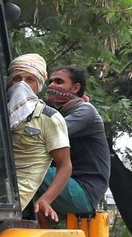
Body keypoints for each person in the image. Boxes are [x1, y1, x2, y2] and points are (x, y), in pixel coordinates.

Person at [6, 54, 71, 222]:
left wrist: (46, 199)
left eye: (29, 80)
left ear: (38, 85)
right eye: (17, 78)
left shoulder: (49, 119)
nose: (21, 85)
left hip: (10, 201)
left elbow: (65, 166)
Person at [42, 64, 111, 216]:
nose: (52, 85)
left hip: (84, 191)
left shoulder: (86, 111)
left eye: (59, 82)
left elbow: (47, 135)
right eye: (51, 82)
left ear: (75, 88)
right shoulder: (54, 115)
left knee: (27, 167)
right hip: (65, 184)